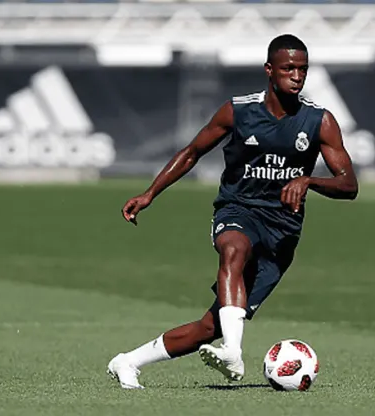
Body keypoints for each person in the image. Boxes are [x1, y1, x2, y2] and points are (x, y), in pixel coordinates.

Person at [107, 34, 358, 389]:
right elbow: (192, 152)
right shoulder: (238, 111)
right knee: (234, 248)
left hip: (282, 231)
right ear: (269, 70)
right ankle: (233, 352)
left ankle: (127, 361)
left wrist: (309, 181)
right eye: (289, 68)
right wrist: (150, 193)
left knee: (208, 328)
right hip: (238, 208)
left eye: (302, 69)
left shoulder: (320, 121)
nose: (297, 76)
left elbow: (349, 185)